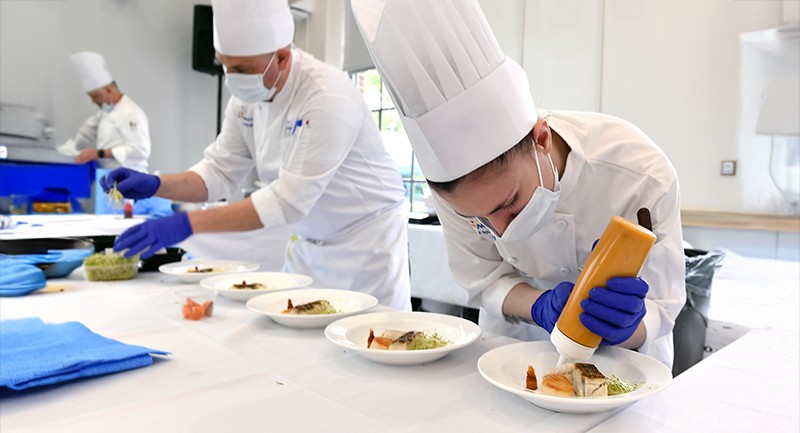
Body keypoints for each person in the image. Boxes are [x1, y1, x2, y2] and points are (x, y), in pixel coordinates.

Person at [351, 0, 686, 367]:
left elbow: (663, 307)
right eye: (479, 220)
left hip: (625, 365)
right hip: (510, 352)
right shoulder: (453, 193)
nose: (501, 232)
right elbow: (484, 280)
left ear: (541, 139)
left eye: (508, 203)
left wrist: (628, 326)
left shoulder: (638, 171)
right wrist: (539, 305)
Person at [102, 0, 411, 311]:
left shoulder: (328, 95)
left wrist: (186, 224)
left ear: (282, 57)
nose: (231, 77)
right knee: (300, 343)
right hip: (308, 244)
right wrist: (157, 184)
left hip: (366, 244)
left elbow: (287, 201)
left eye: (242, 69)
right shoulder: (247, 97)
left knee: (375, 339)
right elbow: (218, 172)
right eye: (225, 65)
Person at [58, 51, 150, 172]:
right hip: (110, 177)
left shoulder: (131, 112)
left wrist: (100, 153)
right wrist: (69, 149)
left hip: (129, 179)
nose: (93, 101)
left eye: (96, 96)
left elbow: (140, 150)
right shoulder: (107, 111)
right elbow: (88, 130)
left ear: (109, 91)